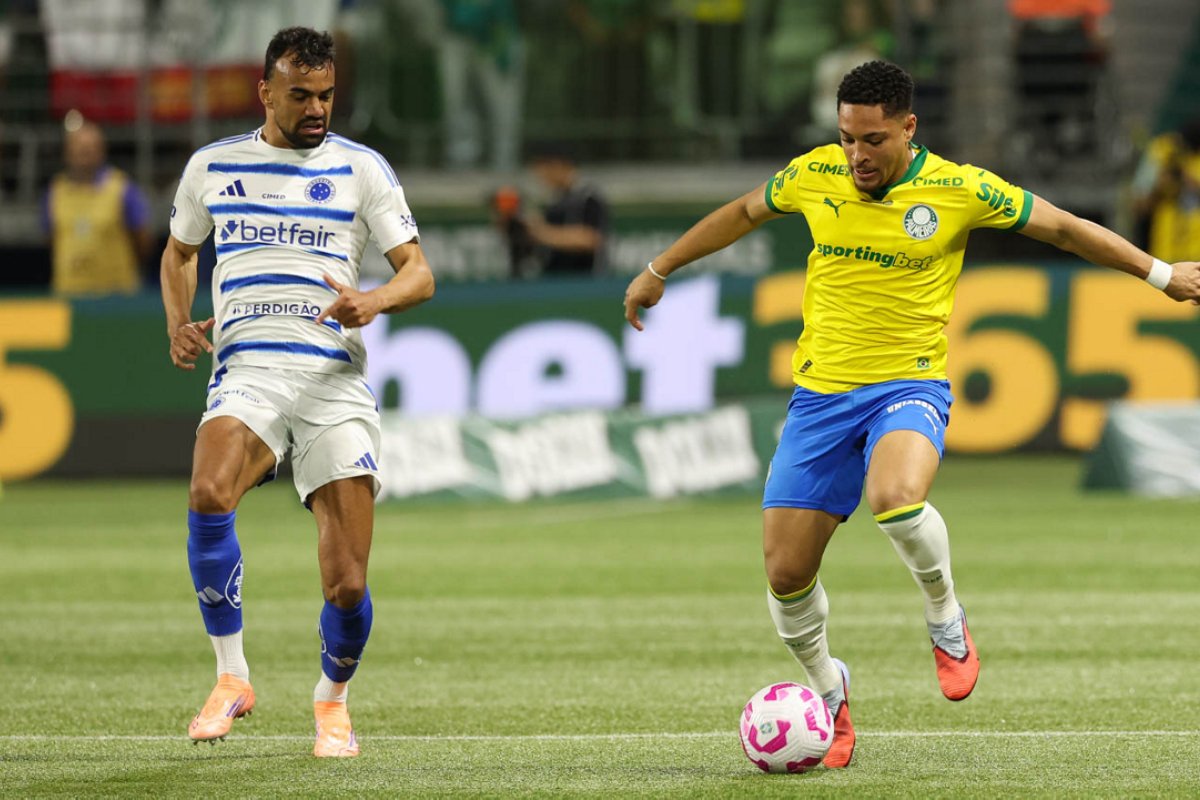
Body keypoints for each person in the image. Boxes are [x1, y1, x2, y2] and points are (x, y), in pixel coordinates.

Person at [622, 60, 1200, 768]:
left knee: (895, 499)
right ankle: (829, 694)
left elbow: (1065, 229)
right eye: (846, 140)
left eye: (872, 140)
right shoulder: (814, 175)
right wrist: (658, 270)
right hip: (819, 399)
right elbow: (743, 213)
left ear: (907, 128)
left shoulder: (958, 188)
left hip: (907, 384)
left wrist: (1163, 274)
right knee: (784, 575)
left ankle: (945, 615)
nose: (857, 156)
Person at [161, 26, 434, 758]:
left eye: (327, 94)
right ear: (266, 91)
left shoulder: (361, 169)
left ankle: (332, 701)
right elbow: (179, 253)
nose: (318, 108)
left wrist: (372, 302)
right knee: (209, 491)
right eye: (302, 95)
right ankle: (232, 677)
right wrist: (177, 322)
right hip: (248, 370)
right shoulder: (213, 166)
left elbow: (419, 272)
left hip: (332, 384)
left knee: (346, 584)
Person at [43, 115, 152, 296]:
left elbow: (142, 241)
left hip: (116, 296)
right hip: (67, 294)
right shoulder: (54, 191)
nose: (84, 154)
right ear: (67, 152)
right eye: (79, 149)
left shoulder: (123, 188)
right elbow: (50, 238)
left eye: (90, 149)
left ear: (102, 151)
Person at [510, 143, 609, 277]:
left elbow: (590, 239)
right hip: (556, 281)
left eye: (543, 168)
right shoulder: (554, 201)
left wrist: (541, 232)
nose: (540, 176)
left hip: (585, 283)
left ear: (558, 165)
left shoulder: (587, 197)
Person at [1131, 117, 1200, 264]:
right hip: (1165, 256)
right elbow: (1140, 205)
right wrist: (1162, 184)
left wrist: (1186, 177)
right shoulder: (1163, 151)